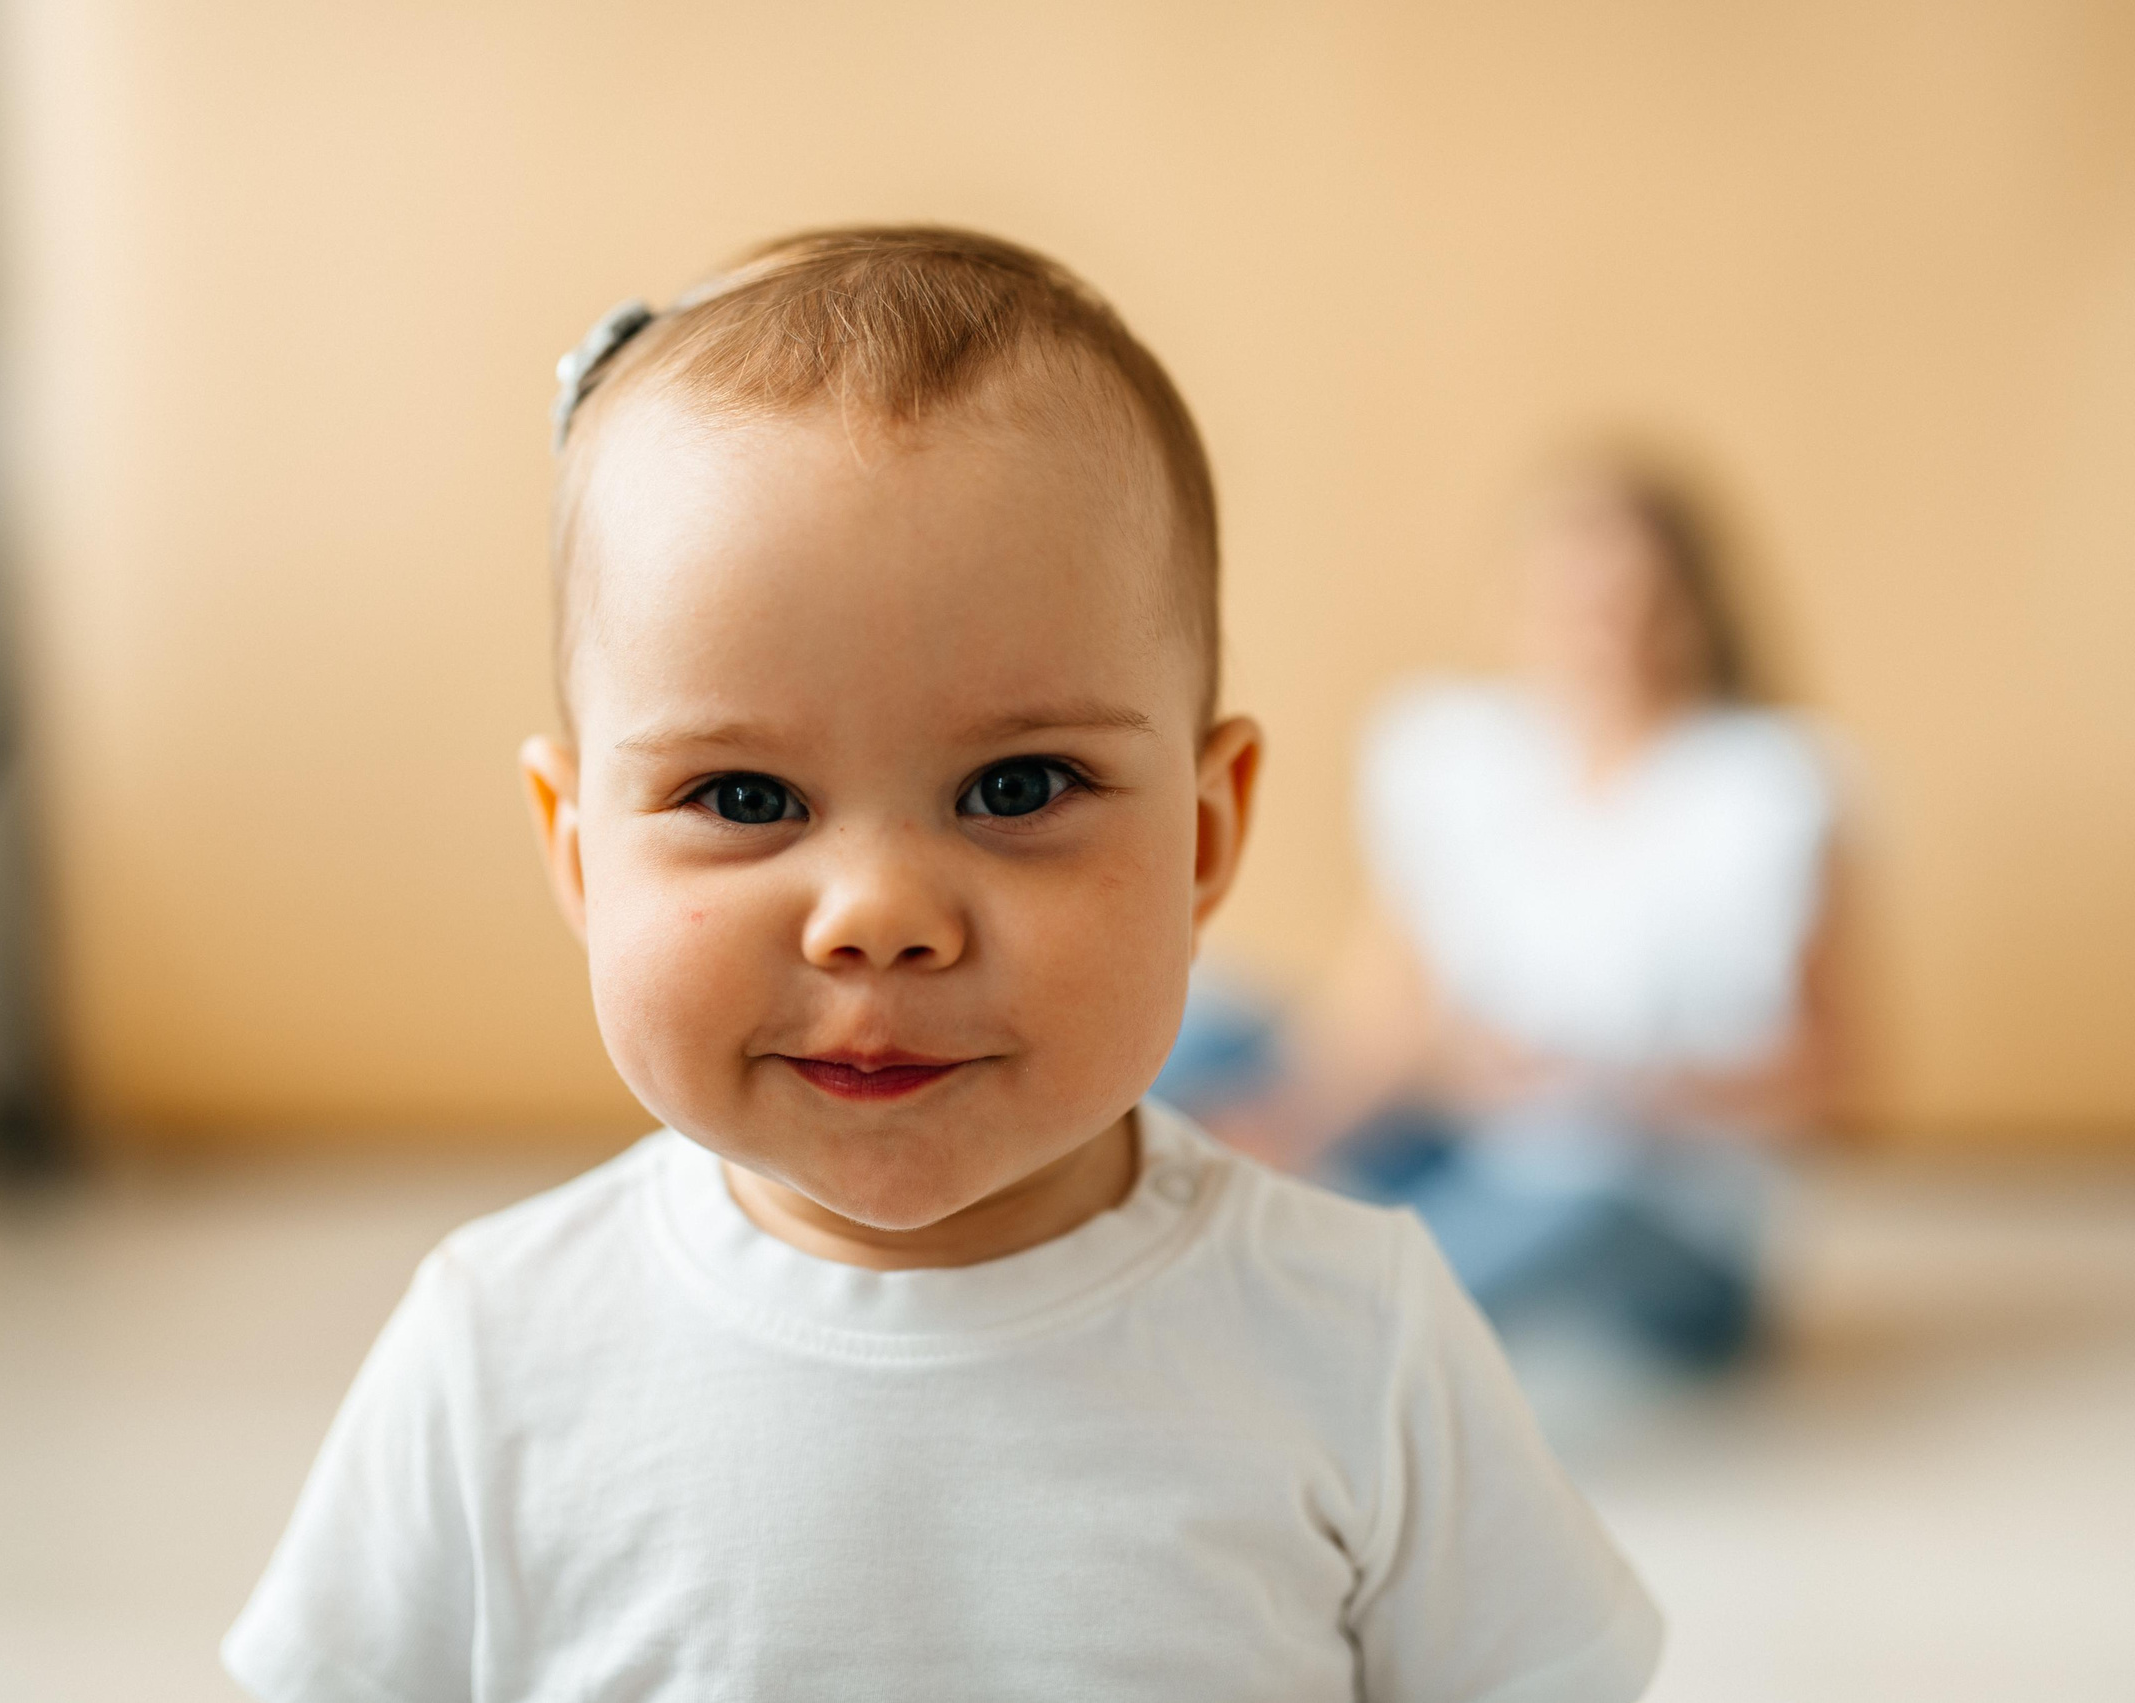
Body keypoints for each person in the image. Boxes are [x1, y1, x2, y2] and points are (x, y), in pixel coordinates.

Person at [221, 228, 1660, 1702]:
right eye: (745, 797)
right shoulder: (498, 1348)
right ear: (578, 851)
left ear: (1207, 831)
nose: (880, 913)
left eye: (1018, 786)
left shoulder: (1354, 1333)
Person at [1289, 457, 1848, 1371]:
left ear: (1697, 612)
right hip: (1465, 1149)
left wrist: (1623, 1089)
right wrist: (1300, 1112)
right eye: (1575, 604)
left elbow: (1838, 1075)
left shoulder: (1774, 787)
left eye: (1640, 605)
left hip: (1652, 1203)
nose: (1606, 637)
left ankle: (1328, 1343)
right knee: (1199, 1020)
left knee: (1573, 1191)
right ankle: (1288, 1282)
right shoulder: (1450, 756)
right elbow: (1388, 1009)